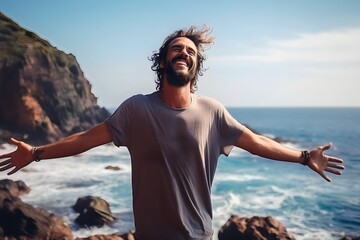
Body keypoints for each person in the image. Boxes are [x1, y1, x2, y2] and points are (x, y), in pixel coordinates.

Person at [0, 26, 344, 240]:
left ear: (196, 67)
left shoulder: (213, 111)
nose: (184, 53)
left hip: (199, 237)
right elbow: (87, 139)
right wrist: (36, 153)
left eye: (191, 52)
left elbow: (255, 142)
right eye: (177, 48)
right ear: (163, 60)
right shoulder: (136, 109)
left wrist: (302, 157)